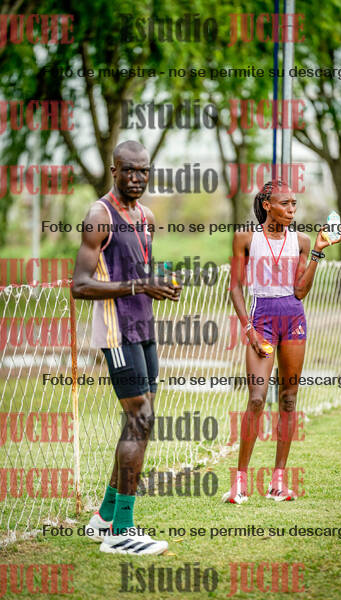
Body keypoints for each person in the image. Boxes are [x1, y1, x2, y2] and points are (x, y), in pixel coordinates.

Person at [72, 140, 181, 554]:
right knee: (141, 419)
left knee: (140, 420)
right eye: (129, 170)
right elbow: (80, 285)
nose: (137, 177)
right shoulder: (99, 216)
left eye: (143, 170)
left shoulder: (145, 217)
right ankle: (121, 531)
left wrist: (159, 283)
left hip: (143, 326)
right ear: (113, 170)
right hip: (116, 331)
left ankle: (104, 517)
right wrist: (138, 285)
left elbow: (138, 271)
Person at [223, 180, 341, 504]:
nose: (291, 209)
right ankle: (240, 482)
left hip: (293, 320)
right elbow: (235, 287)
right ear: (267, 205)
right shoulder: (246, 238)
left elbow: (300, 291)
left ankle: (278, 481)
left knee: (289, 399)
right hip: (261, 320)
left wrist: (318, 251)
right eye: (285, 203)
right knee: (257, 398)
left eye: (294, 204)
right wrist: (248, 329)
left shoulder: (301, 241)